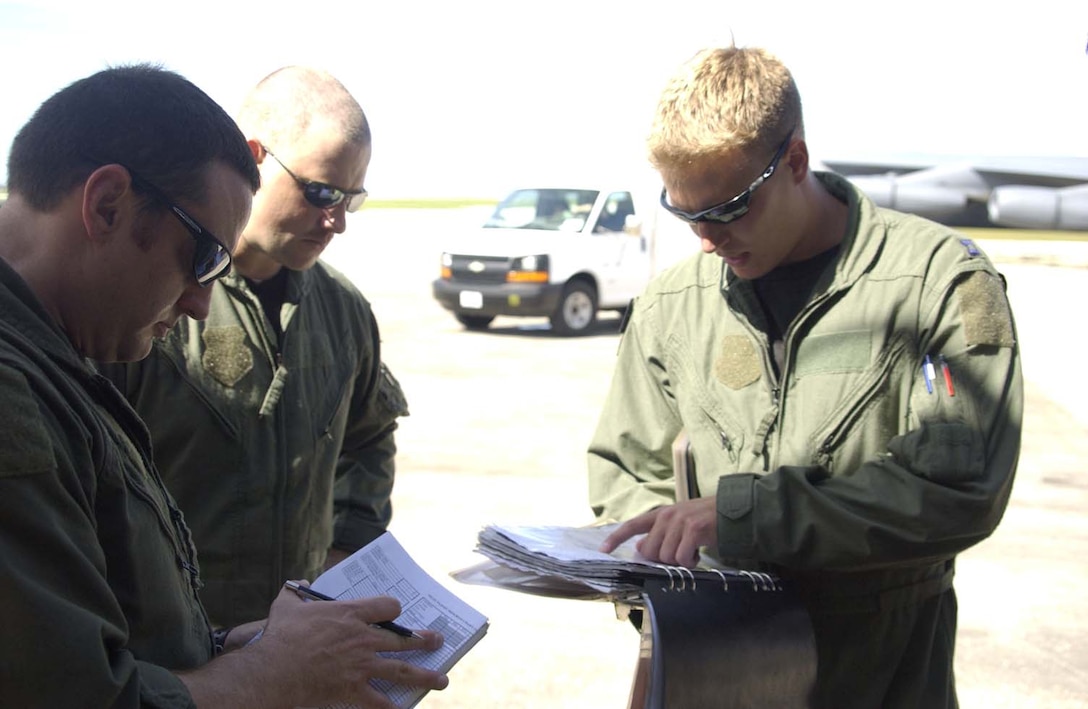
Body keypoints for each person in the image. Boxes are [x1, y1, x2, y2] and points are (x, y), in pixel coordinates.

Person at [588, 46, 1022, 709]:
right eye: (686, 213)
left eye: (729, 209)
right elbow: (627, 467)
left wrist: (744, 517)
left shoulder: (939, 283)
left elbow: (957, 488)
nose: (707, 238)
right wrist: (663, 568)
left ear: (795, 162)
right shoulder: (673, 305)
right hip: (710, 668)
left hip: (880, 677)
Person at [0, 64, 447, 708]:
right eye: (206, 255)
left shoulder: (64, 353)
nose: (202, 305)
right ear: (106, 206)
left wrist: (246, 647)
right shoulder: (25, 389)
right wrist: (272, 671)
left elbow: (118, 623)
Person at [97, 66, 408, 628]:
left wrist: (344, 562)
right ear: (255, 156)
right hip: (171, 657)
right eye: (322, 192)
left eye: (351, 200)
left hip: (298, 643)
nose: (336, 221)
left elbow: (369, 435)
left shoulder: (344, 311)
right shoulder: (153, 299)